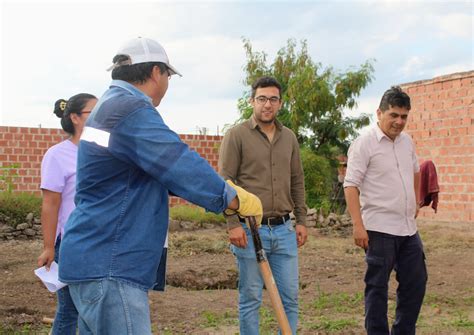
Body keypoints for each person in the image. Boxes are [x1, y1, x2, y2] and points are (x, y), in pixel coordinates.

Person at [57, 37, 262, 334]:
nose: (167, 82)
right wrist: (231, 198)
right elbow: (176, 162)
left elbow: (153, 172)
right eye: (168, 75)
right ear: (156, 72)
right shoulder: (130, 109)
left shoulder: (109, 106)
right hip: (111, 263)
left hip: (95, 257)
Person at [218, 76, 308, 335]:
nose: (267, 104)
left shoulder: (289, 138)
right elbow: (225, 183)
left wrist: (301, 220)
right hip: (249, 231)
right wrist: (232, 224)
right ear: (251, 101)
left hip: (284, 230)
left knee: (290, 298)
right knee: (251, 299)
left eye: (273, 99)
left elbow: (297, 181)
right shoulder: (236, 135)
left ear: (280, 103)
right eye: (261, 99)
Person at [343, 86, 427, 335]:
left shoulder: (407, 141)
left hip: (408, 229)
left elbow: (415, 171)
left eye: (403, 116)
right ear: (379, 113)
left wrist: (414, 203)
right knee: (377, 288)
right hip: (378, 229)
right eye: (393, 115)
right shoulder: (364, 144)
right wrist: (358, 226)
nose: (399, 122)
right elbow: (351, 185)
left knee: (416, 283)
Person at [37, 93, 97, 334]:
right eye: (93, 112)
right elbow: (50, 204)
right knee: (70, 309)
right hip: (72, 243)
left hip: (100, 241)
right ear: (75, 117)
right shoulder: (57, 155)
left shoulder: (103, 151)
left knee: (94, 309)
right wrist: (49, 247)